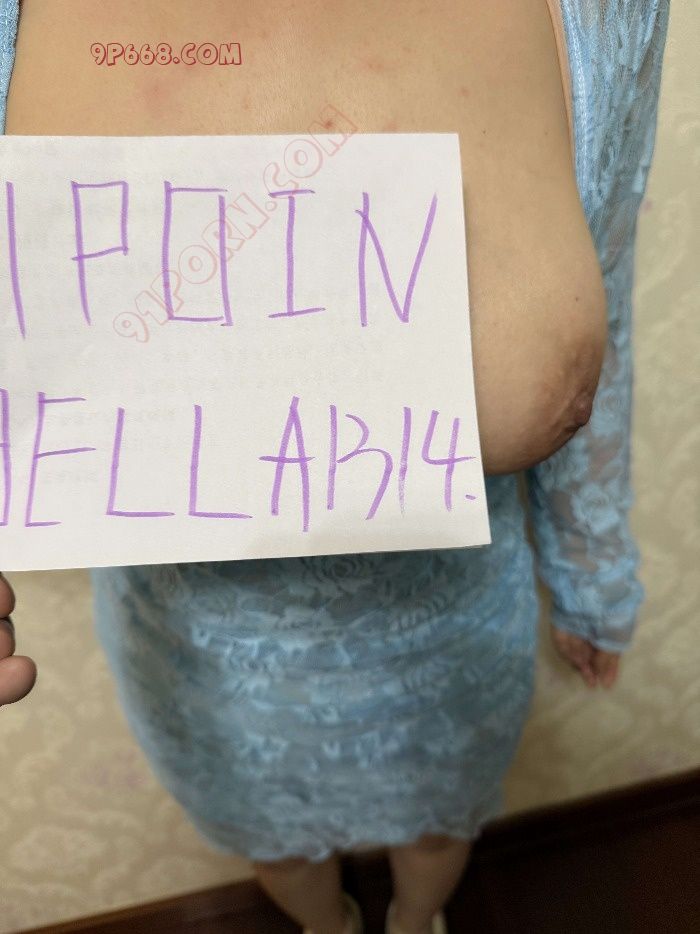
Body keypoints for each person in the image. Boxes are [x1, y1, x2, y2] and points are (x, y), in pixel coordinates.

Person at [0, 2, 670, 933]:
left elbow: (609, 296)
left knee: (440, 827)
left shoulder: (602, 14)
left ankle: (411, 922)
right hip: (199, 659)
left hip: (454, 634)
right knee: (277, 845)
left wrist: (592, 575)